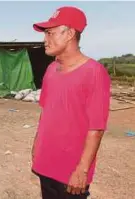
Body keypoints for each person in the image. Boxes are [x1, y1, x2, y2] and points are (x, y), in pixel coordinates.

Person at [31, 6, 111, 199]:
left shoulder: (94, 72)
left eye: (50, 33)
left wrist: (82, 170)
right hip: (45, 163)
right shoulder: (51, 70)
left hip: (70, 172)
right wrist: (36, 146)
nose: (45, 40)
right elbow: (46, 112)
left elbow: (96, 128)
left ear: (69, 34)